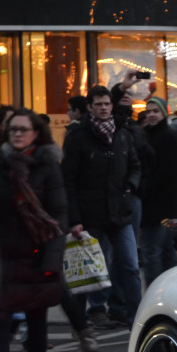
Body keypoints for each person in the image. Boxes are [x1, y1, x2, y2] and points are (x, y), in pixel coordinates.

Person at [0, 109, 67, 352]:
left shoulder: (47, 164)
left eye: (24, 129)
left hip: (36, 255)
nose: (18, 134)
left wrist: (53, 259)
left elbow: (59, 213)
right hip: (1, 256)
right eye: (13, 130)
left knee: (36, 322)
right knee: (0, 320)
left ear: (36, 133)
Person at [62, 86, 142, 327]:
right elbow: (68, 181)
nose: (104, 108)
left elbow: (135, 165)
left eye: (107, 103)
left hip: (119, 211)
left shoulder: (122, 133)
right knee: (88, 272)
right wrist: (74, 219)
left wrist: (130, 185)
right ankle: (82, 324)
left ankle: (137, 317)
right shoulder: (78, 137)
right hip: (90, 215)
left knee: (130, 266)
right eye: (99, 104)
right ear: (90, 107)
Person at [138, 97, 177, 284]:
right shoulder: (152, 134)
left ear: (163, 113)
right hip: (161, 203)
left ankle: (155, 291)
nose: (151, 115)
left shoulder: (166, 136)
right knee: (165, 250)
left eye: (155, 111)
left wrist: (145, 189)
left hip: (158, 203)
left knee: (152, 251)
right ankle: (170, 288)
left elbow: (166, 172)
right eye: (148, 111)